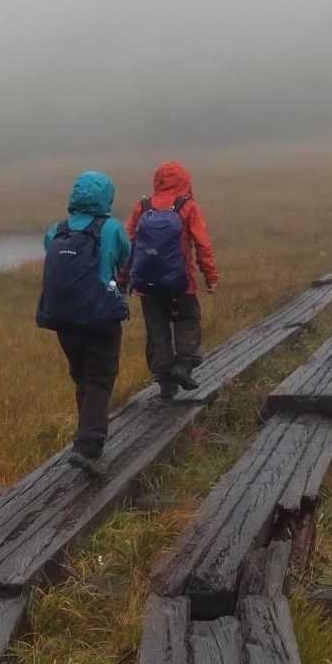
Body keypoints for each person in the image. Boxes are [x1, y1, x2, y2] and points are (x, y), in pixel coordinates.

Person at [37, 171, 131, 470]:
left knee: (82, 378)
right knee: (100, 379)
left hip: (64, 320)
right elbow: (125, 258)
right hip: (101, 318)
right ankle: (88, 447)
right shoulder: (111, 228)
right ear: (106, 197)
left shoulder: (56, 230)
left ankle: (85, 435)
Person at [126, 160, 220, 400]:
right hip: (182, 283)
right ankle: (183, 365)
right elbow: (203, 245)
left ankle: (164, 382)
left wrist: (125, 278)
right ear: (185, 181)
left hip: (147, 286)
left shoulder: (142, 206)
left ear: (157, 181)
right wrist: (211, 277)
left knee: (157, 330)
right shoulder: (188, 207)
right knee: (188, 321)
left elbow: (128, 244)